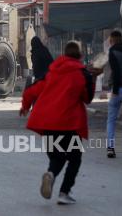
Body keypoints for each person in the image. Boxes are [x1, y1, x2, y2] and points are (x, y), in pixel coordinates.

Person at [20, 41, 99, 205]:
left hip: (47, 123)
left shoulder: (52, 71)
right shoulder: (81, 73)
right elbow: (87, 98)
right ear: (80, 55)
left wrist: (25, 106)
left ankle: (51, 175)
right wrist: (93, 78)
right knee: (74, 158)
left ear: (64, 54)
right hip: (68, 124)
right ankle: (64, 192)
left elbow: (32, 90)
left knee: (56, 157)